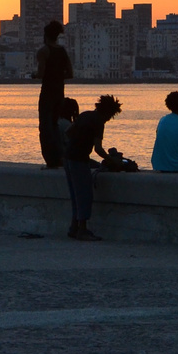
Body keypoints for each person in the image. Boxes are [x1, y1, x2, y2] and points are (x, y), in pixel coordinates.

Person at [64, 95, 121, 241]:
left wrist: (78, 142)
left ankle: (73, 227)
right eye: (111, 115)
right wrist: (113, 161)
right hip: (79, 159)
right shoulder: (99, 122)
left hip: (68, 157)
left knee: (74, 194)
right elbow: (99, 149)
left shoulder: (84, 115)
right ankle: (82, 230)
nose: (110, 119)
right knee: (84, 194)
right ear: (108, 112)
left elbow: (68, 132)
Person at [35, 21, 73, 169]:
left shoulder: (43, 51)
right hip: (59, 93)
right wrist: (58, 75)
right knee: (55, 125)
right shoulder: (62, 51)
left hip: (47, 93)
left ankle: (51, 161)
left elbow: (40, 74)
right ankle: (60, 157)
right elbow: (70, 74)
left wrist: (34, 75)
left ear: (45, 35)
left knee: (45, 127)